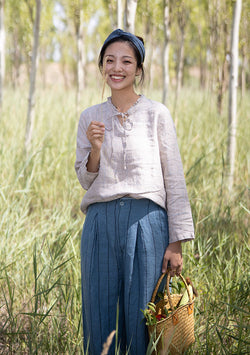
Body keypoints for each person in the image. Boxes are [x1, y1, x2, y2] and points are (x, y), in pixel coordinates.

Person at [75, 28, 194, 355]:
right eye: (110, 60)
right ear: (101, 67)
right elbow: (85, 180)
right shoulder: (90, 117)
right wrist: (96, 148)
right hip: (99, 226)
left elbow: (175, 179)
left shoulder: (156, 114)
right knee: (101, 319)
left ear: (138, 69)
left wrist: (176, 241)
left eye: (127, 61)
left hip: (148, 225)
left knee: (145, 320)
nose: (117, 67)